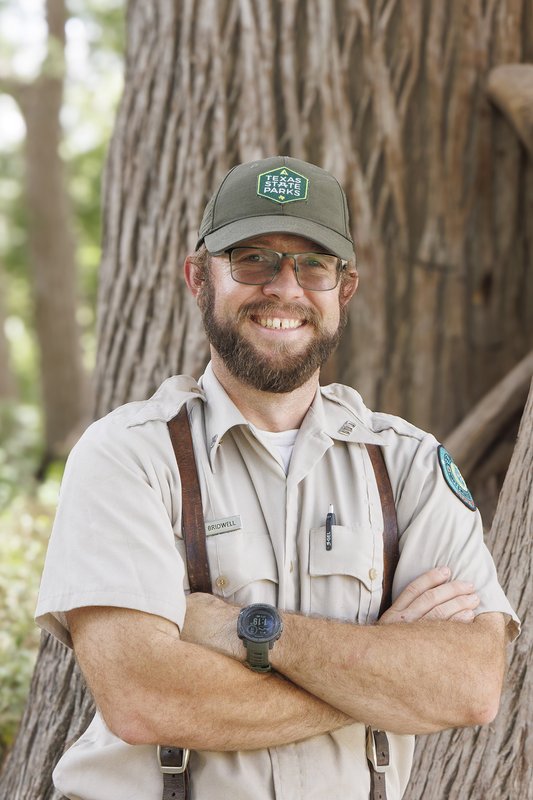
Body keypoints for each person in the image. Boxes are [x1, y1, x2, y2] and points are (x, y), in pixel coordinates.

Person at [36, 156, 519, 800]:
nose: (285, 289)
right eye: (253, 260)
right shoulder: (128, 455)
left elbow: (469, 685)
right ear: (198, 278)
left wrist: (243, 631)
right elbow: (145, 699)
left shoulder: (408, 464)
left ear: (344, 289)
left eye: (313, 265)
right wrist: (381, 675)